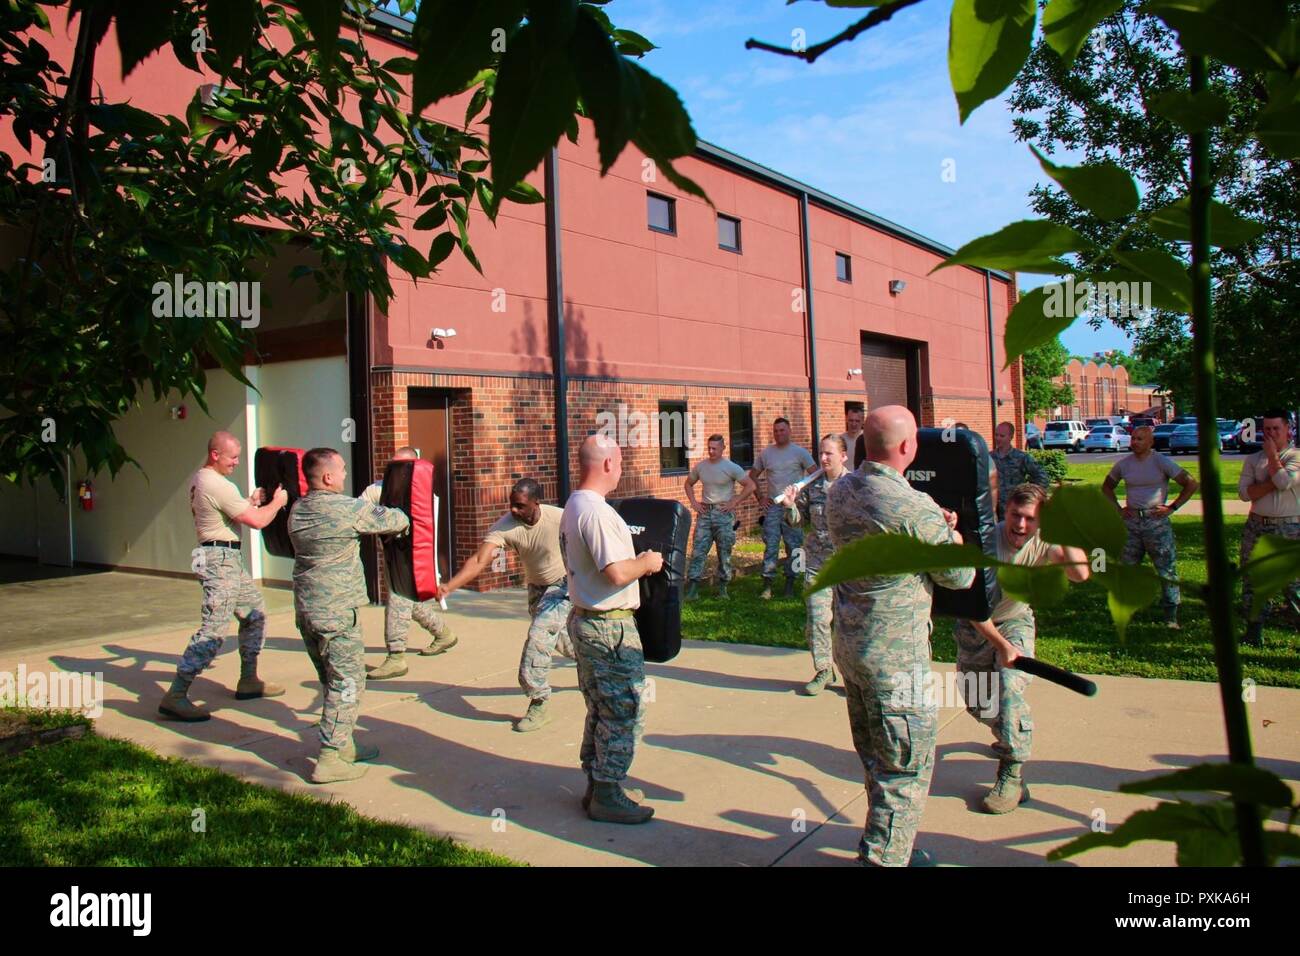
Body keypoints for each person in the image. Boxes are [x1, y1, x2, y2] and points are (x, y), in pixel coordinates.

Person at [825, 405, 975, 867]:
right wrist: (953, 537)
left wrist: (934, 526)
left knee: (877, 755)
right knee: (905, 765)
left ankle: (891, 843)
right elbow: (959, 576)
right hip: (895, 657)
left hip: (851, 646)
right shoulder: (912, 507)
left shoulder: (841, 490)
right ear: (909, 446)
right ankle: (884, 857)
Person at [953, 484, 1089, 814]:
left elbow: (1080, 573)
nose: (1021, 526)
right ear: (1005, 512)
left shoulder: (1043, 542)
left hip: (1015, 623)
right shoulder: (986, 541)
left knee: (1009, 690)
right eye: (1016, 515)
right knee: (978, 704)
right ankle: (1011, 733)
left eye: (1031, 519)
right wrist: (999, 646)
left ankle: (1011, 772)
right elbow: (972, 608)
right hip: (976, 626)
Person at [289, 447, 410, 784]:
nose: (344, 475)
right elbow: (398, 519)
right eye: (341, 470)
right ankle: (329, 758)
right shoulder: (346, 509)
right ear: (327, 477)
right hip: (338, 611)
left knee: (330, 679)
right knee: (348, 682)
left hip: (307, 609)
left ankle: (344, 745)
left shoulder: (298, 509)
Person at [561, 434, 663, 823]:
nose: (620, 470)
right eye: (619, 462)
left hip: (588, 619)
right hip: (608, 628)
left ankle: (599, 783)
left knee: (600, 708)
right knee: (625, 711)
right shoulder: (597, 512)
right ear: (606, 465)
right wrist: (647, 562)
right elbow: (616, 572)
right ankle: (607, 791)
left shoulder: (575, 504)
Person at [159, 431, 289, 722]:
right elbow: (257, 521)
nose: (236, 463)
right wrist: (278, 502)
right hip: (219, 560)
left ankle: (249, 679)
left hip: (225, 557)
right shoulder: (215, 483)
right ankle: (176, 695)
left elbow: (228, 513)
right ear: (215, 455)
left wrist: (250, 500)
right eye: (232, 457)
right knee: (214, 628)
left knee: (255, 612)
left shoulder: (204, 480)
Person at [441, 478, 573, 732]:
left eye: (520, 506)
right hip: (537, 588)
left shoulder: (560, 518)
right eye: (511, 505)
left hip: (563, 585)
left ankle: (538, 702)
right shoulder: (505, 527)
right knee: (558, 640)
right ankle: (590, 661)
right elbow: (480, 559)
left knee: (538, 636)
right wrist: (451, 585)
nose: (514, 510)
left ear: (536, 503)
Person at [360, 447, 456, 680]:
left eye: (405, 467)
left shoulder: (422, 493)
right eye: (395, 466)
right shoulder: (377, 490)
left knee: (398, 599)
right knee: (405, 600)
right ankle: (443, 633)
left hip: (413, 556)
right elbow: (359, 514)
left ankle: (396, 656)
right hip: (393, 552)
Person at [1102, 425, 1198, 628]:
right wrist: (1119, 510)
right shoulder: (1124, 465)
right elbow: (1107, 487)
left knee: (1166, 569)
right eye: (1133, 438)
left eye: (1140, 439)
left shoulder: (1161, 462)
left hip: (1156, 522)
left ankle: (1170, 616)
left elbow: (1190, 483)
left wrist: (1172, 507)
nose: (1134, 442)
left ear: (1150, 442)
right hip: (1131, 523)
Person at [782, 434, 849, 696]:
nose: (823, 458)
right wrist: (789, 507)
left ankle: (851, 675)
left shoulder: (855, 486)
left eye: (829, 454)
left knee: (848, 624)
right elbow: (798, 521)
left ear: (843, 456)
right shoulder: (813, 486)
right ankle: (824, 669)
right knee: (817, 620)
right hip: (818, 564)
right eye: (821, 453)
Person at [1238, 410, 1300, 646]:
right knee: (1253, 579)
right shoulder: (1253, 459)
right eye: (1267, 429)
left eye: (1277, 428)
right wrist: (1272, 481)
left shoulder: (1296, 456)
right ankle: (1254, 631)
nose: (1271, 433)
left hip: (1289, 527)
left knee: (1292, 583)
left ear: (1288, 430)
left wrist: (1273, 457)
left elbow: (1284, 482)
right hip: (1257, 525)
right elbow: (1245, 493)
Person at [750, 417, 817, 599]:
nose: (779, 433)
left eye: (782, 430)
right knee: (770, 544)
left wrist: (804, 499)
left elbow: (815, 475)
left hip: (793, 507)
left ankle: (791, 583)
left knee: (795, 545)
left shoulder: (800, 453)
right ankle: (767, 585)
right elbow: (752, 475)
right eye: (776, 431)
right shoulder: (767, 454)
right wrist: (761, 497)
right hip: (773, 507)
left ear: (789, 431)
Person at [684, 434, 756, 599]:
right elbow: (688, 483)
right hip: (705, 513)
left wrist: (735, 501)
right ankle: (693, 589)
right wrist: (694, 502)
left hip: (723, 514)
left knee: (724, 552)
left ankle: (723, 589)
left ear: (723, 448)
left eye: (714, 448)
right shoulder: (701, 466)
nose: (711, 451)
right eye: (709, 448)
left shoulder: (731, 467)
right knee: (698, 551)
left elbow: (750, 485)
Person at [991, 422, 1048, 519]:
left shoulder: (1021, 457)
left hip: (1015, 509)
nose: (998, 438)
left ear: (1010, 437)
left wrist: (1030, 495)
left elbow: (1042, 477)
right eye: (996, 435)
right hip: (994, 511)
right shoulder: (989, 458)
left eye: (1002, 436)